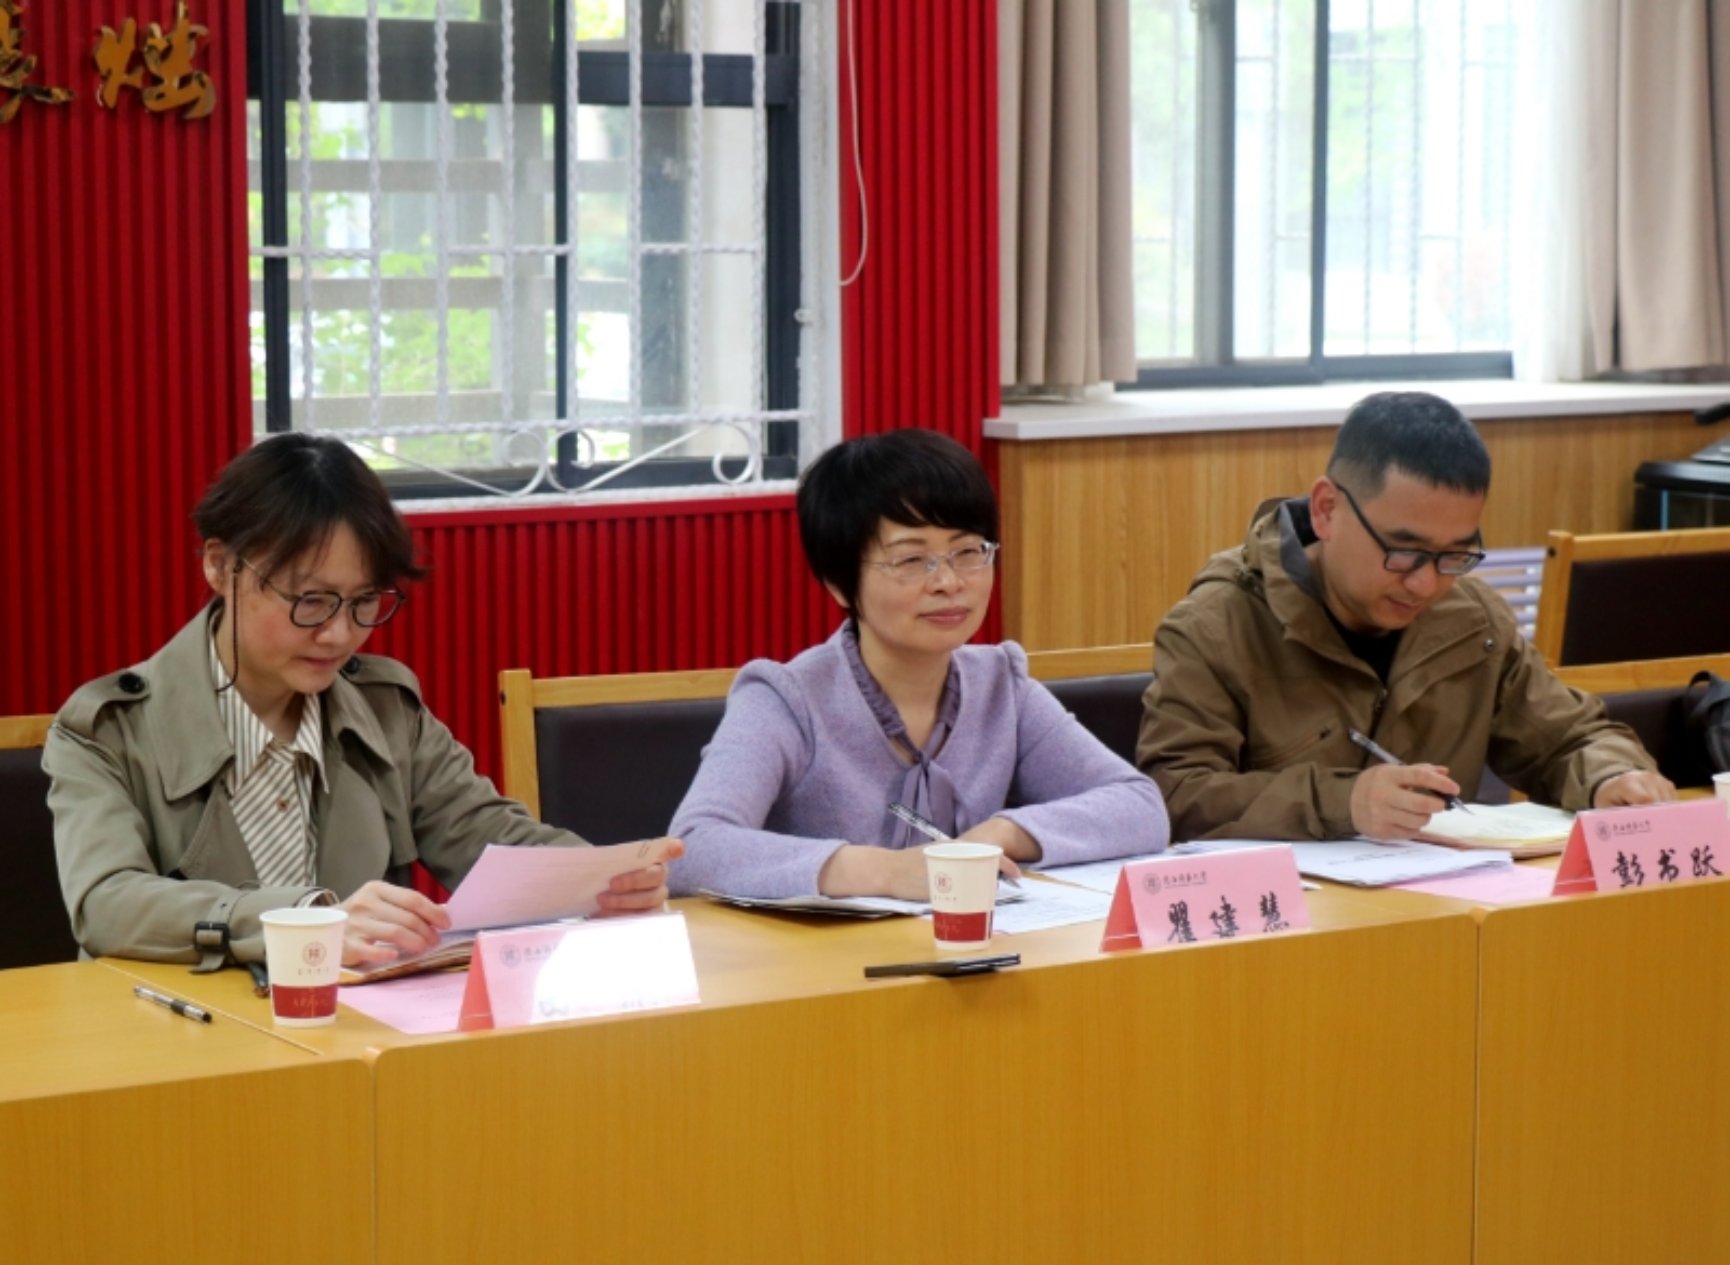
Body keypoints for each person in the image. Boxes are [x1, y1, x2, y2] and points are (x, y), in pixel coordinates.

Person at [44, 434, 678, 970]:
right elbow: (106, 904)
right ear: (219, 565)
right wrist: (306, 921)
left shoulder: (384, 708)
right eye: (310, 601)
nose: (339, 633)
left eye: (364, 602)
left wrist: (599, 878)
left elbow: (489, 840)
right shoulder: (107, 730)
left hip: (361, 1043)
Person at [1137, 391, 1675, 842]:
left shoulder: (1472, 620)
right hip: (1290, 922)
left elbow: (1570, 738)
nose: (1425, 584)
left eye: (1454, 555)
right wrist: (1343, 802)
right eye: (1404, 551)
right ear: (1326, 510)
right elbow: (1175, 794)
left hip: (1442, 907)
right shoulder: (1217, 624)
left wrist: (1612, 775)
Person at [668, 428, 1168, 900]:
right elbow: (693, 847)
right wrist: (887, 872)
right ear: (840, 583)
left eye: (968, 551)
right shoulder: (786, 699)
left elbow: (1139, 806)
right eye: (911, 560)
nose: (949, 582)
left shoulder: (1002, 685)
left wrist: (1000, 834)